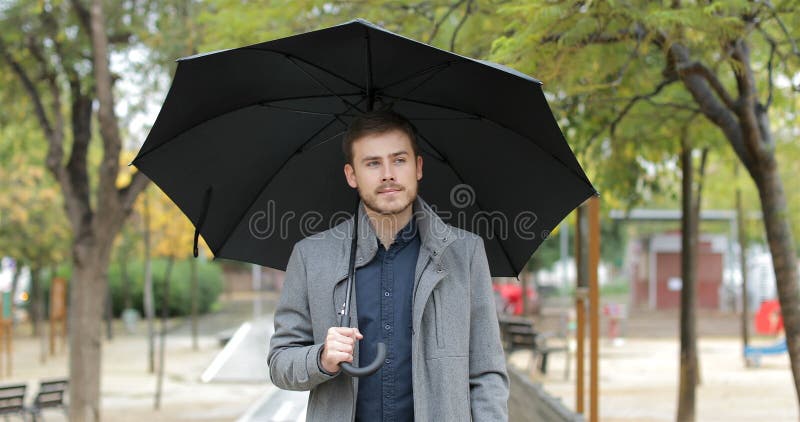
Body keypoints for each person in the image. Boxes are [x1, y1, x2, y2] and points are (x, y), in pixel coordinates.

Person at [268, 110, 509, 421]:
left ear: (418, 167)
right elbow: (279, 363)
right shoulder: (311, 257)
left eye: (399, 160)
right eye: (372, 163)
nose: (388, 174)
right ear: (351, 175)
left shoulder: (465, 254)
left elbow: (487, 373)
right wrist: (321, 358)